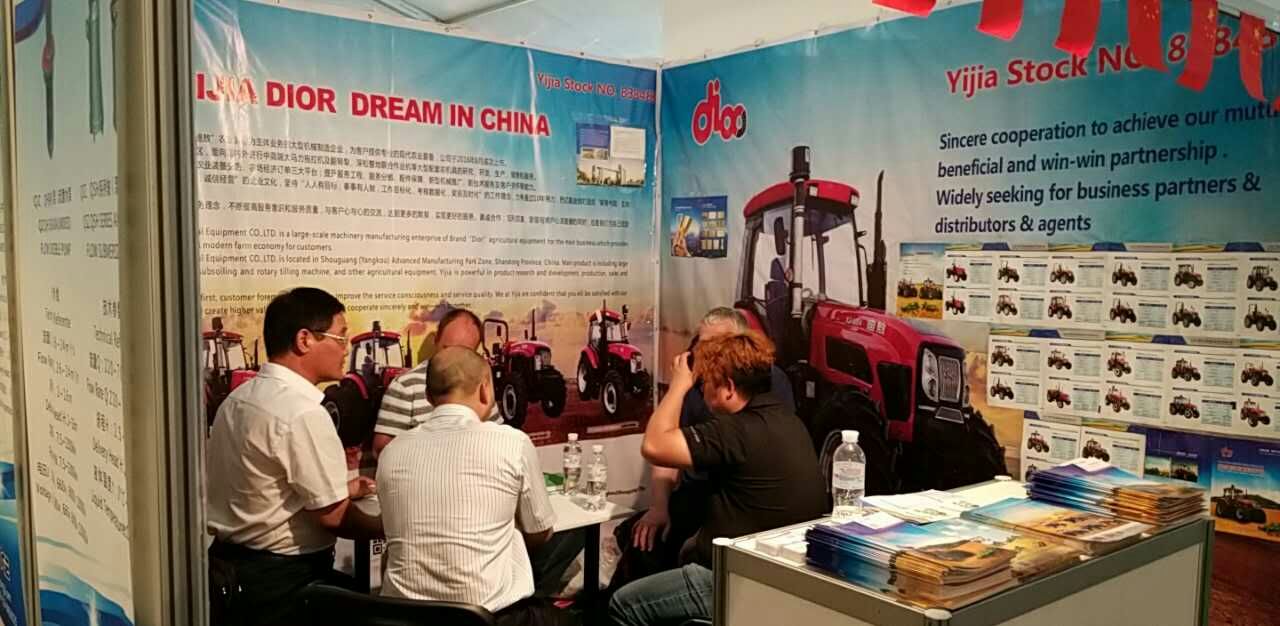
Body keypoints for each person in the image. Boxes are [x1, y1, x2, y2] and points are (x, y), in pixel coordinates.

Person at [609, 331, 826, 626]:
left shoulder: (736, 431)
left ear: (729, 389)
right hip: (775, 574)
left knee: (624, 604)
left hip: (739, 580)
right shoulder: (788, 421)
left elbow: (654, 445)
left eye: (706, 383)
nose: (701, 390)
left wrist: (678, 386)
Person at [373, 307, 582, 596]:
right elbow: (538, 531)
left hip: (405, 609)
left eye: (466, 352)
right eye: (449, 349)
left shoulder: (396, 452)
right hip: (485, 606)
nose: (456, 361)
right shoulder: (513, 442)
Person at [206, 287, 383, 626]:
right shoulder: (302, 412)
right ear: (305, 340)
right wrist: (394, 526)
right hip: (282, 584)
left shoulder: (239, 398)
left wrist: (344, 489)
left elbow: (266, 488)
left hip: (231, 570)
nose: (346, 349)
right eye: (341, 337)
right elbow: (333, 518)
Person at [610, 307, 794, 591]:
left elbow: (658, 444)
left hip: (739, 504)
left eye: (717, 346)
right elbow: (664, 452)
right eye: (702, 345)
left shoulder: (767, 383)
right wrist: (659, 507)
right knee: (640, 536)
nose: (707, 355)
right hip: (698, 496)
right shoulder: (695, 384)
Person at [373, 308, 485, 459]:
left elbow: (495, 436)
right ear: (436, 340)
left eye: (463, 353)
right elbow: (381, 451)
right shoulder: (406, 386)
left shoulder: (480, 384)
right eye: (447, 349)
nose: (453, 359)